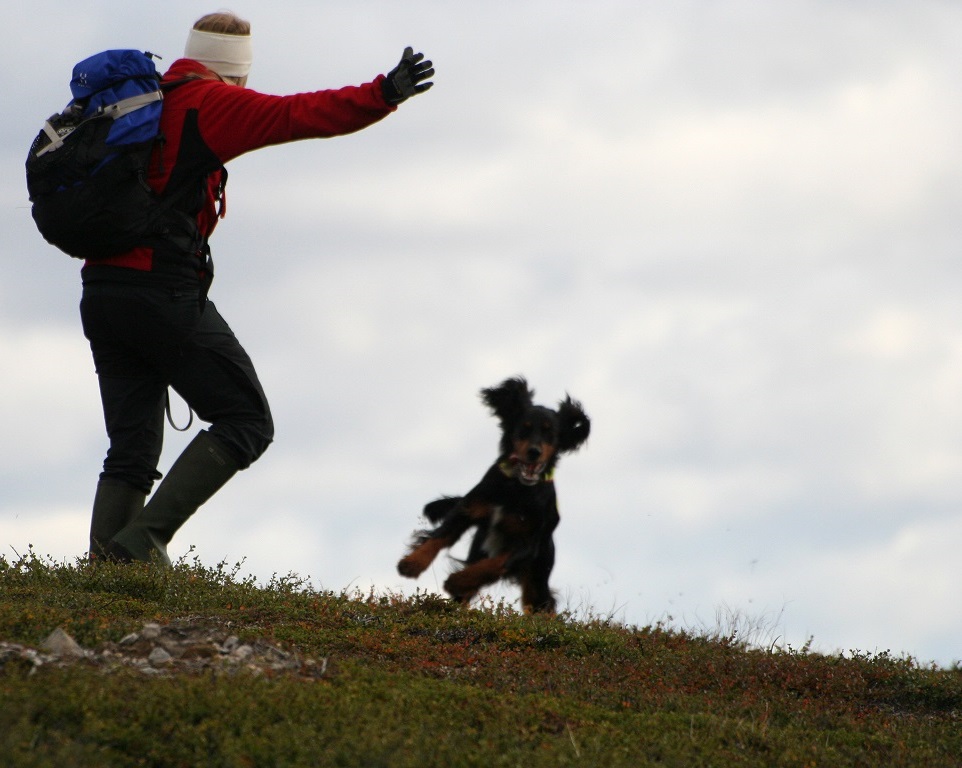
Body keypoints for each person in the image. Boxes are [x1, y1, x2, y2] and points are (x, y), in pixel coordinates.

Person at [83, 11, 434, 565]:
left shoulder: (144, 100)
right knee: (247, 420)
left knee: (130, 446)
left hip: (101, 291)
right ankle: (140, 546)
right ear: (238, 70)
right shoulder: (210, 101)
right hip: (161, 290)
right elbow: (297, 114)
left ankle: (103, 570)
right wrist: (382, 93)